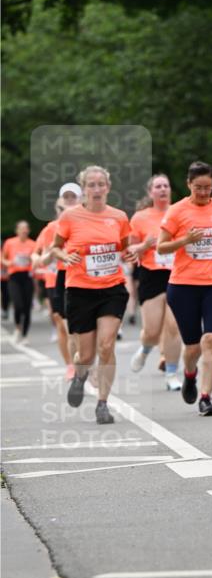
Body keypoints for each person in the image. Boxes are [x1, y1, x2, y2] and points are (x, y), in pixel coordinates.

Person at [52, 166, 131, 425]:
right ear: (84, 188)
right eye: (91, 185)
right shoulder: (70, 217)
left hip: (112, 288)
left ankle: (102, 403)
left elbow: (124, 248)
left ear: (108, 187)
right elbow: (56, 248)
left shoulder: (119, 217)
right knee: (85, 356)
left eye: (101, 184)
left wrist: (130, 254)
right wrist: (66, 256)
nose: (96, 189)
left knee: (106, 345)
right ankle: (80, 374)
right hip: (80, 290)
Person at [157, 161, 212, 416]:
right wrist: (185, 240)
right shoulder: (177, 211)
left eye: (208, 188)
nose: (203, 192)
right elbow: (161, 247)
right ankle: (190, 375)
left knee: (211, 340)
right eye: (199, 187)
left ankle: (206, 396)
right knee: (192, 348)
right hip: (184, 286)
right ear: (188, 184)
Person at [129, 174, 182, 391]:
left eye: (166, 186)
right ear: (151, 192)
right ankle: (145, 349)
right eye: (158, 186)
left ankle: (171, 374)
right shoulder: (140, 218)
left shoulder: (180, 211)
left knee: (173, 327)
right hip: (151, 274)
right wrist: (143, 246)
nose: (162, 189)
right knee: (152, 331)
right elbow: (129, 251)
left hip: (178, 273)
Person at [32, 198, 72, 373]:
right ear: (56, 210)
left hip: (75, 278)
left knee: (74, 325)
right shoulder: (50, 229)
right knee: (62, 324)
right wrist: (38, 260)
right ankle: (70, 365)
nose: (64, 211)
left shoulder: (81, 225)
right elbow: (36, 253)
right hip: (54, 279)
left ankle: (82, 361)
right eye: (61, 208)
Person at [2, 220, 36, 343]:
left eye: (26, 228)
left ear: (28, 231)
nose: (24, 230)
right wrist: (9, 263)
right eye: (22, 228)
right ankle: (17, 328)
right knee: (18, 304)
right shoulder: (10, 243)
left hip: (27, 276)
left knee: (27, 307)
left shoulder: (32, 244)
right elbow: (3, 258)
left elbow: (36, 259)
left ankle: (25, 335)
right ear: (17, 231)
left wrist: (31, 260)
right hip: (14, 277)